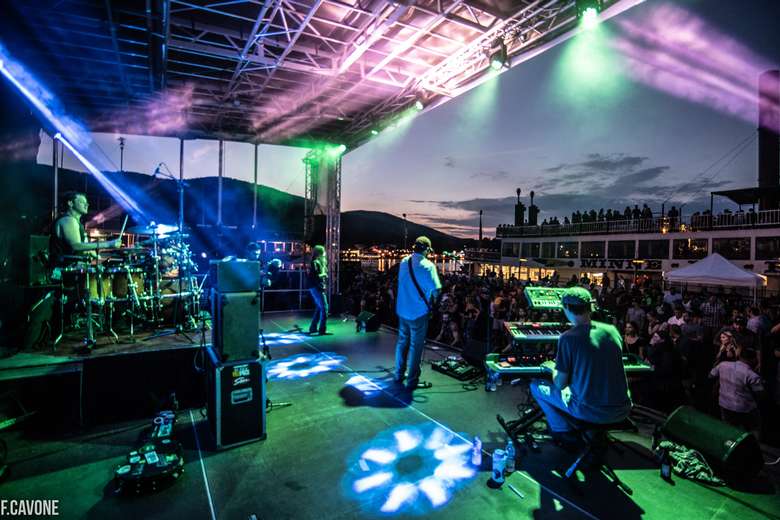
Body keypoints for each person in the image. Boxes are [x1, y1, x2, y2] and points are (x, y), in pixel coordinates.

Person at [530, 287, 632, 444]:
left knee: (536, 386)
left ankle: (562, 431)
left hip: (588, 411)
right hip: (622, 409)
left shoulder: (568, 338)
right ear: (589, 307)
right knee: (574, 389)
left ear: (567, 308)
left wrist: (552, 367)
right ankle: (589, 434)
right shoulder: (612, 330)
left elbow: (559, 383)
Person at [393, 236, 441, 392]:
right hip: (418, 313)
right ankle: (412, 381)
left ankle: (398, 374)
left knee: (402, 343)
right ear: (427, 249)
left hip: (402, 310)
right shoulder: (428, 266)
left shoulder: (404, 261)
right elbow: (436, 290)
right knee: (416, 347)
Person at [50, 191, 121, 266]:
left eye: (86, 202)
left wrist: (89, 251)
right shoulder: (68, 220)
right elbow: (75, 246)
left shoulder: (76, 222)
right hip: (64, 270)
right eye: (82, 202)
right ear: (70, 203)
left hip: (72, 268)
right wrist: (108, 244)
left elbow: (73, 248)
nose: (87, 204)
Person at [709, 347, 764, 433]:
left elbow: (711, 375)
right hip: (745, 408)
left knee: (728, 430)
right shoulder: (752, 375)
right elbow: (760, 394)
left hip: (725, 404)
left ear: (740, 356)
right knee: (753, 430)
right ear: (753, 359)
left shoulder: (723, 365)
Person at [307, 244, 328, 335]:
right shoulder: (315, 262)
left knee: (320, 307)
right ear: (320, 252)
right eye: (323, 251)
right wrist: (323, 275)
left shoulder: (317, 262)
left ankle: (313, 328)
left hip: (315, 287)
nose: (325, 253)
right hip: (316, 287)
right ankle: (322, 329)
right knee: (325, 308)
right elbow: (315, 276)